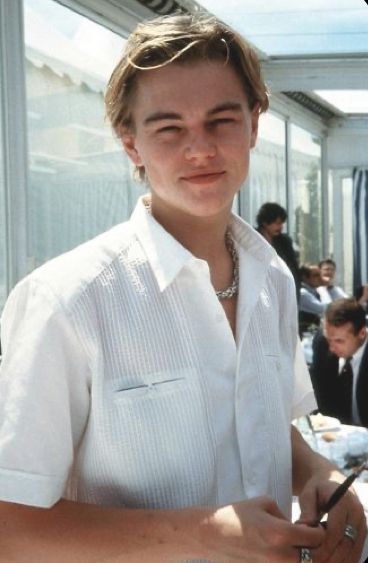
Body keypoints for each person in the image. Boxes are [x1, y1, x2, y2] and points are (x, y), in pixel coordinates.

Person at [0, 13, 366, 563]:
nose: (200, 149)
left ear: (254, 125)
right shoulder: (66, 301)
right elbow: (10, 526)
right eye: (169, 127)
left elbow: (262, 426)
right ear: (131, 144)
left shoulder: (272, 279)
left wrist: (317, 470)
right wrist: (200, 533)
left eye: (221, 120)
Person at [311, 298, 368, 427]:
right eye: (329, 339)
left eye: (339, 341)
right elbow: (318, 397)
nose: (331, 348)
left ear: (362, 333)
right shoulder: (322, 344)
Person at [256, 202, 300, 300]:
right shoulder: (252, 239)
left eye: (282, 224)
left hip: (283, 290)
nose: (280, 227)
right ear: (265, 222)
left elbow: (293, 267)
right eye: (277, 223)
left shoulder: (285, 242)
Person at [299, 264, 328, 336]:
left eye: (320, 275)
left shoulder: (316, 291)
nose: (321, 278)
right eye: (316, 275)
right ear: (305, 278)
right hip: (304, 335)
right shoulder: (303, 293)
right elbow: (322, 308)